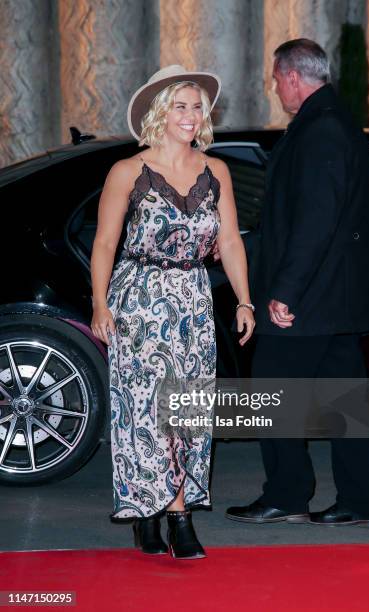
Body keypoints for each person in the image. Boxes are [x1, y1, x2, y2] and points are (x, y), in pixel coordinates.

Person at [226, 39, 369, 527]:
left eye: (276, 78)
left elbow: (316, 220)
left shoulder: (320, 129)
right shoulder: (336, 122)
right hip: (332, 302)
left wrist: (286, 290)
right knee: (347, 402)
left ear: (293, 77)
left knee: (271, 392)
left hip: (310, 301)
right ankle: (362, 502)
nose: (275, 87)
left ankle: (286, 495)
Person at [90, 65, 255, 559]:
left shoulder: (216, 170)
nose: (191, 115)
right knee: (148, 412)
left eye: (197, 106)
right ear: (161, 112)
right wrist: (100, 302)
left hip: (192, 301)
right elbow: (104, 243)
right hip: (138, 301)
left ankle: (152, 510)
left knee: (189, 408)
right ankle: (175, 515)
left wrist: (244, 299)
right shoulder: (127, 172)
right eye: (181, 105)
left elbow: (229, 241)